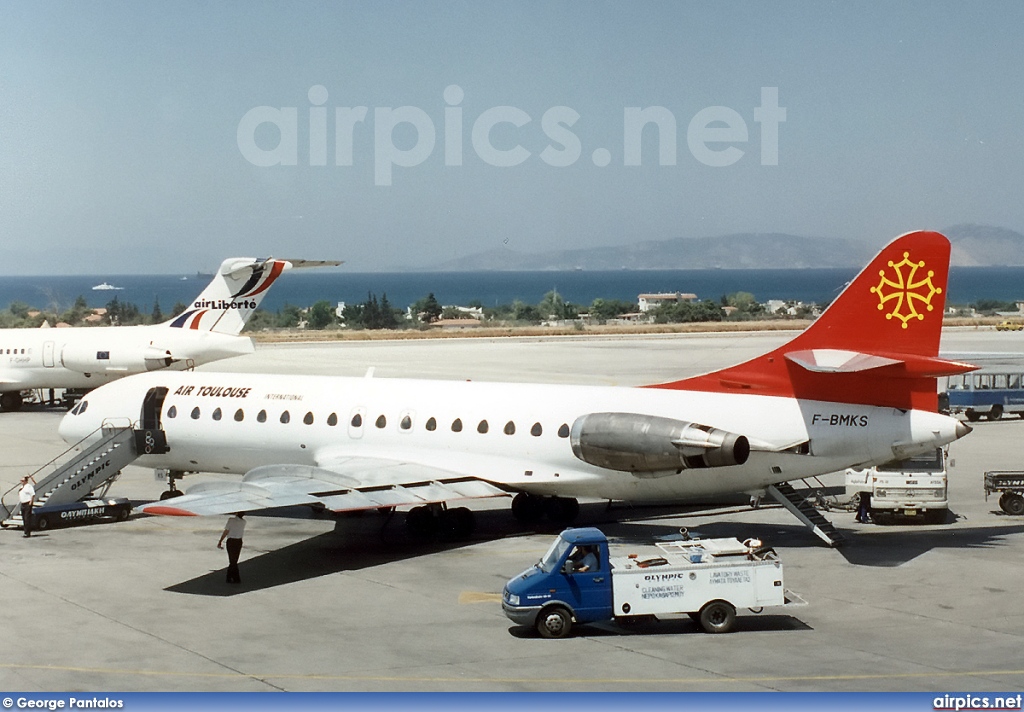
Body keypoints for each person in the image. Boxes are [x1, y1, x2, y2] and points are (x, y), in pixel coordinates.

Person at [217, 512, 246, 583]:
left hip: (231, 541)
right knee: (234, 560)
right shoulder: (244, 522)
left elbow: (226, 531)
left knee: (232, 560)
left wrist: (220, 540)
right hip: (238, 541)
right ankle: (233, 578)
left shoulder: (231, 520)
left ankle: (231, 577)